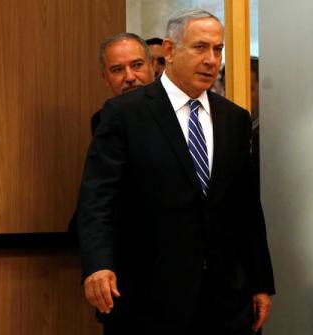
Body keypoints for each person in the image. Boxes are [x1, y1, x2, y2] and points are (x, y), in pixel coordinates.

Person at [77, 8, 275, 335]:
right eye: (200, 48)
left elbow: (246, 208)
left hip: (225, 299)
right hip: (150, 296)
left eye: (218, 49)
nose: (212, 59)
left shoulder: (234, 119)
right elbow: (97, 199)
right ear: (169, 51)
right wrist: (98, 265)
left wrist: (260, 282)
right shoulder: (125, 114)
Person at [67, 32, 154, 236]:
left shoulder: (180, 113)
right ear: (104, 77)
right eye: (117, 70)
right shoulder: (103, 119)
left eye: (137, 65)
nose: (130, 77)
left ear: (152, 66)